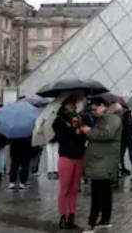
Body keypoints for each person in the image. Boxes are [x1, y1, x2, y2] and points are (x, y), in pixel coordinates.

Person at [81, 97, 122, 233]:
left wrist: (89, 132)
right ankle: (105, 219)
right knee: (104, 191)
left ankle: (91, 222)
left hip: (103, 161)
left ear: (104, 106)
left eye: (95, 109)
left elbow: (107, 134)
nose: (93, 112)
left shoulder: (112, 118)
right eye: (91, 109)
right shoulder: (105, 118)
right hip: (102, 160)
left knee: (97, 193)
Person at [53, 94, 86, 230]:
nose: (75, 105)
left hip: (78, 156)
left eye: (75, 103)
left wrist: (81, 131)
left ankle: (71, 217)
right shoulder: (58, 120)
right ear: (65, 104)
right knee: (64, 189)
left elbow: (83, 135)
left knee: (74, 189)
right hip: (66, 157)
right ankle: (62, 217)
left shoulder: (78, 118)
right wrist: (73, 130)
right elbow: (61, 138)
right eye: (72, 103)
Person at [120, 108, 132, 177]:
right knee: (124, 153)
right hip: (126, 136)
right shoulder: (126, 113)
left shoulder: (126, 113)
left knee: (126, 153)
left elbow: (130, 123)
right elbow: (130, 123)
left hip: (126, 136)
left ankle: (124, 168)